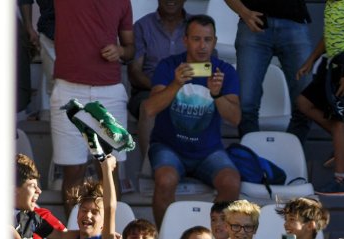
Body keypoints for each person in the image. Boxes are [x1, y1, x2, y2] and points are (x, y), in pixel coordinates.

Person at [144, 14, 242, 226]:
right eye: (196, 39)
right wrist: (176, 84)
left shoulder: (224, 71)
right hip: (169, 146)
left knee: (232, 183)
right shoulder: (169, 66)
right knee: (165, 180)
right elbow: (150, 108)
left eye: (207, 40)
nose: (202, 46)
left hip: (208, 150)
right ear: (185, 40)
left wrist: (217, 95)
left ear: (215, 41)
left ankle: (208, 237)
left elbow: (235, 118)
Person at [50, 0, 134, 210]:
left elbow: (130, 48)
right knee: (73, 171)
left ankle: (111, 236)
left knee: (109, 168)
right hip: (69, 89)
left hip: (110, 92)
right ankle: (75, 236)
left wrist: (120, 51)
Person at [293, 0, 344, 197]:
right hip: (331, 66)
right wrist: (310, 60)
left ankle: (342, 181)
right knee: (303, 103)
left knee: (339, 122)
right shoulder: (330, 5)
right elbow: (328, 36)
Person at [224, 0, 313, 138]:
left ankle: (290, 154)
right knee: (246, 105)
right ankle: (251, 156)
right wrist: (244, 12)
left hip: (294, 22)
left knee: (306, 104)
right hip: (254, 21)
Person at [129, 0, 189, 159]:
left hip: (188, 91)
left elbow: (209, 65)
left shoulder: (196, 25)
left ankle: (194, 164)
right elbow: (134, 72)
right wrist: (164, 89)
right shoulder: (142, 26)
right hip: (148, 90)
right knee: (148, 106)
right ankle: (150, 166)